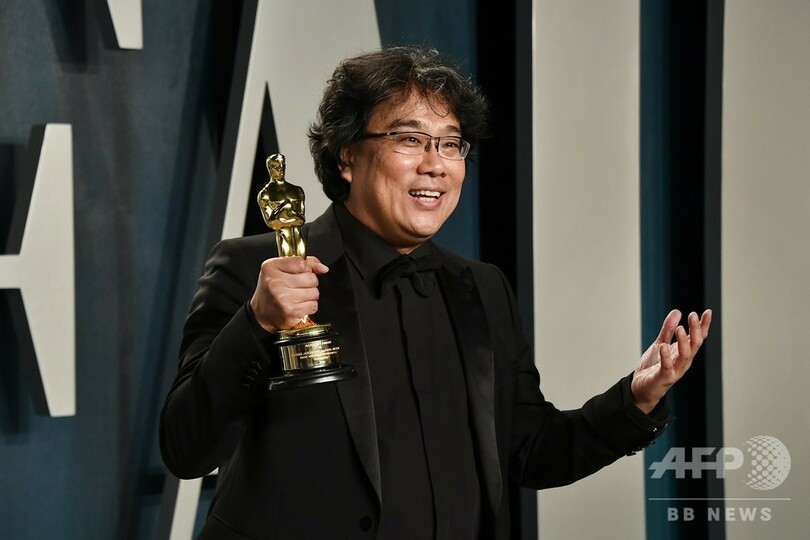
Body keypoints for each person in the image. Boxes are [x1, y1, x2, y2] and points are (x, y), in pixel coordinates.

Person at [159, 46, 712, 539]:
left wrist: (635, 399)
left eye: (451, 144)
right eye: (409, 139)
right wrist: (256, 323)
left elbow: (530, 450)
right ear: (346, 154)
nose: (435, 165)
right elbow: (186, 449)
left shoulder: (483, 288)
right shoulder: (258, 269)